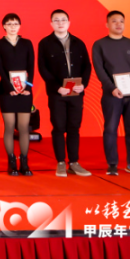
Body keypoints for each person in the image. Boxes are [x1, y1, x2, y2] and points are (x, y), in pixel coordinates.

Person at [93, 10, 130, 176]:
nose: (118, 24)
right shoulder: (100, 44)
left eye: (121, 21)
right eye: (114, 21)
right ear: (107, 24)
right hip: (112, 94)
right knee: (111, 128)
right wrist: (111, 88)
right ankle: (112, 164)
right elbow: (99, 69)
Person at [37, 9, 93, 177]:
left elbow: (87, 66)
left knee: (74, 127)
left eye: (63, 20)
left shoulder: (78, 42)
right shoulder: (45, 43)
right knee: (59, 127)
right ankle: (60, 162)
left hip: (76, 92)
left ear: (69, 23)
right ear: (51, 23)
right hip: (57, 93)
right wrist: (56, 87)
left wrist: (83, 85)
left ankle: (74, 162)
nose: (60, 23)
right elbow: (43, 68)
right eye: (56, 20)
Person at [0, 13, 36, 177]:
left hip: (25, 90)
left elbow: (31, 67)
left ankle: (24, 161)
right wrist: (9, 86)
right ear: (4, 26)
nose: (13, 26)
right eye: (9, 24)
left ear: (20, 26)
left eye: (16, 23)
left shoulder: (27, 43)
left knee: (24, 127)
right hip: (6, 89)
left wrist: (28, 87)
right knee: (9, 126)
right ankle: (11, 162)